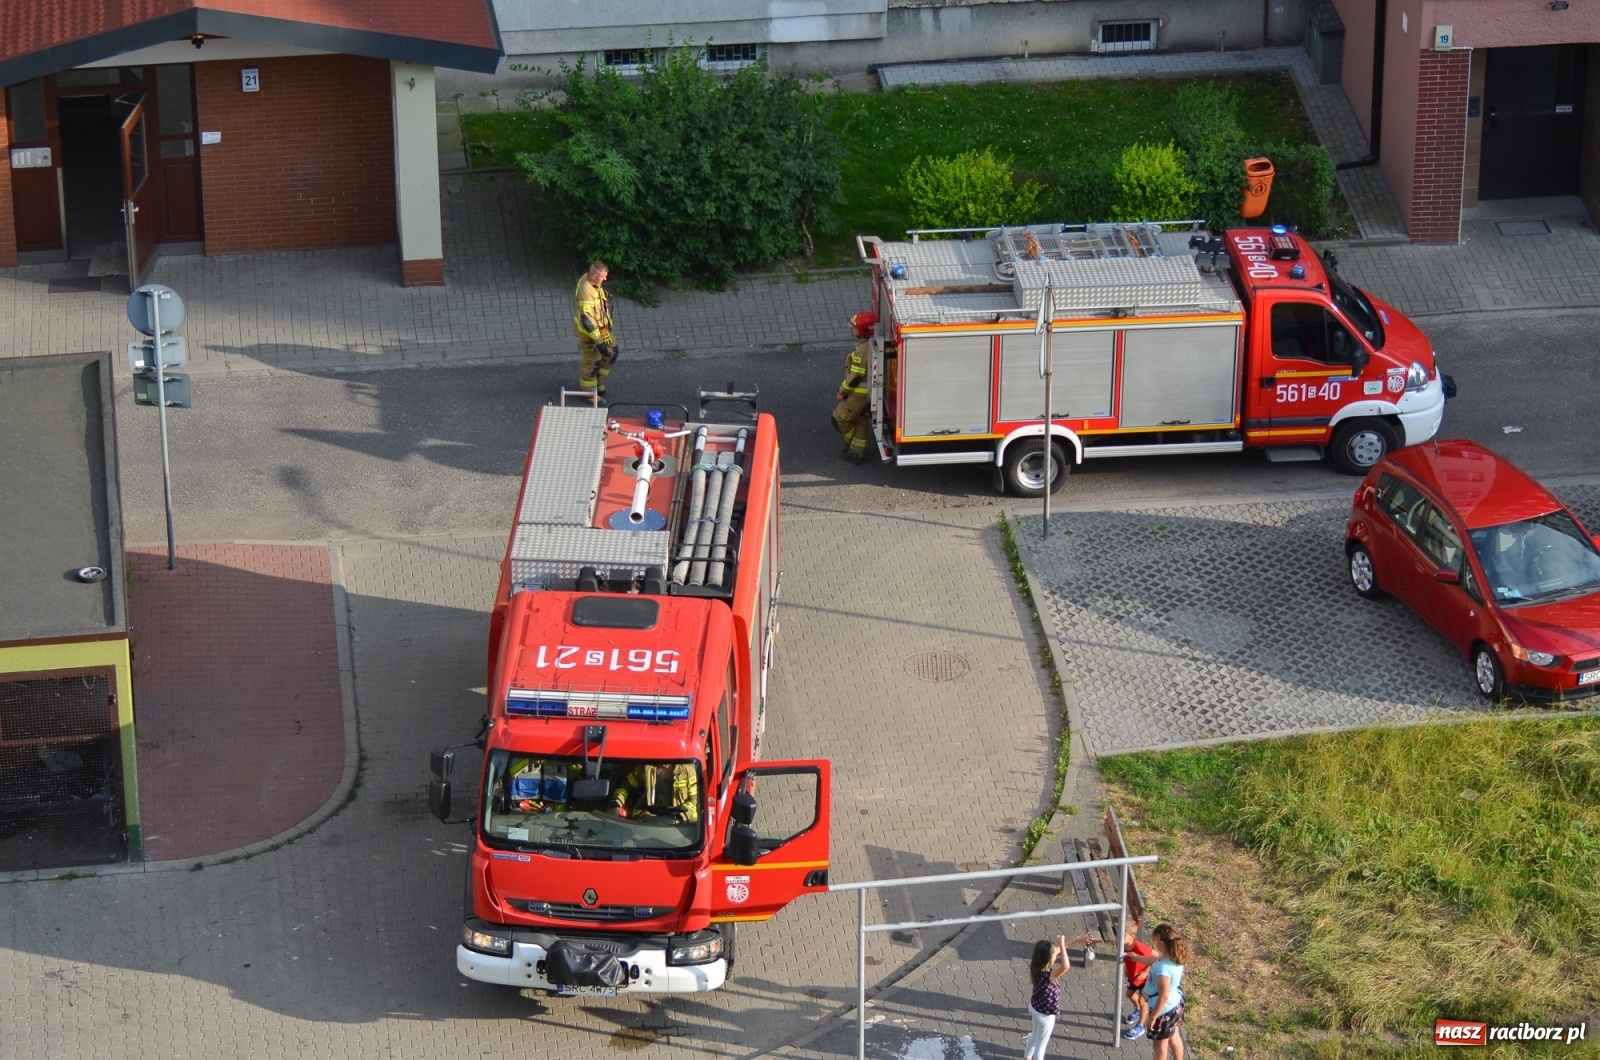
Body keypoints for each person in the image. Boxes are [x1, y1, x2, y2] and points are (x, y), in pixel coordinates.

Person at [1023, 932, 1096, 1060]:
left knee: (1034, 1035)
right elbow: (1066, 966)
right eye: (1054, 956)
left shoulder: (1037, 967)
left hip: (1035, 1008)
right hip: (1045, 1015)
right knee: (1041, 1044)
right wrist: (1062, 944)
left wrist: (1077, 939)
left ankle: (1027, 1057)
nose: (1056, 957)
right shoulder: (1049, 976)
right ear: (1048, 959)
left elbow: (1058, 949)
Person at [1124, 923, 1190, 1060]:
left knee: (1160, 1047)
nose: (1153, 943)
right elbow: (1153, 960)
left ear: (1160, 942)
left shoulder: (1163, 969)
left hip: (1164, 1011)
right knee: (1174, 1036)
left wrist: (1153, 1018)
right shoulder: (1173, 956)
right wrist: (1136, 957)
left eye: (1154, 940)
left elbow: (1163, 996)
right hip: (1176, 1003)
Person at [831, 312, 875, 464]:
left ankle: (850, 442)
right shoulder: (869, 345)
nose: (854, 330)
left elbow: (855, 376)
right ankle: (857, 452)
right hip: (866, 394)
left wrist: (842, 392)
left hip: (858, 395)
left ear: (862, 330)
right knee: (860, 420)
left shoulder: (863, 350)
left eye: (856, 327)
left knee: (839, 418)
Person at [573, 261, 616, 399]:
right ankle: (588, 392)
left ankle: (598, 382)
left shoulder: (592, 281)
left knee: (612, 352)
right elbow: (587, 321)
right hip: (589, 334)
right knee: (593, 361)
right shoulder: (586, 291)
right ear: (594, 275)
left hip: (601, 328)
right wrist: (599, 342)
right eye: (603, 276)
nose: (606, 279)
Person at [609, 763, 699, 822]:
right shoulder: (645, 769)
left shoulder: (687, 771)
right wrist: (616, 806)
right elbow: (625, 787)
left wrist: (681, 816)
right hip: (646, 821)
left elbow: (696, 798)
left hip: (680, 823)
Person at [1121, 918, 1157, 1040]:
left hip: (1145, 980)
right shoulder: (1122, 945)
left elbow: (1156, 956)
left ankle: (1140, 1026)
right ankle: (1138, 1010)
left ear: (1132, 936)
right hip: (1133, 977)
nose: (1119, 938)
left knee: (1143, 1002)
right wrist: (1126, 969)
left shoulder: (1140, 947)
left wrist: (1145, 971)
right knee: (1129, 995)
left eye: (1123, 935)